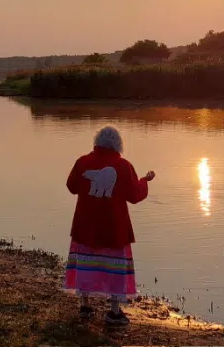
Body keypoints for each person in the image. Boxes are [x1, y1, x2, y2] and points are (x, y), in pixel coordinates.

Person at [65, 125, 155, 326]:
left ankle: (85, 305)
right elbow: (135, 195)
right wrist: (144, 180)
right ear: (119, 145)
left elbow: (71, 186)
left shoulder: (82, 162)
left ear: (96, 142)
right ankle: (113, 311)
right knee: (115, 268)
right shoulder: (123, 166)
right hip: (114, 228)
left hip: (85, 226)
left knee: (85, 264)